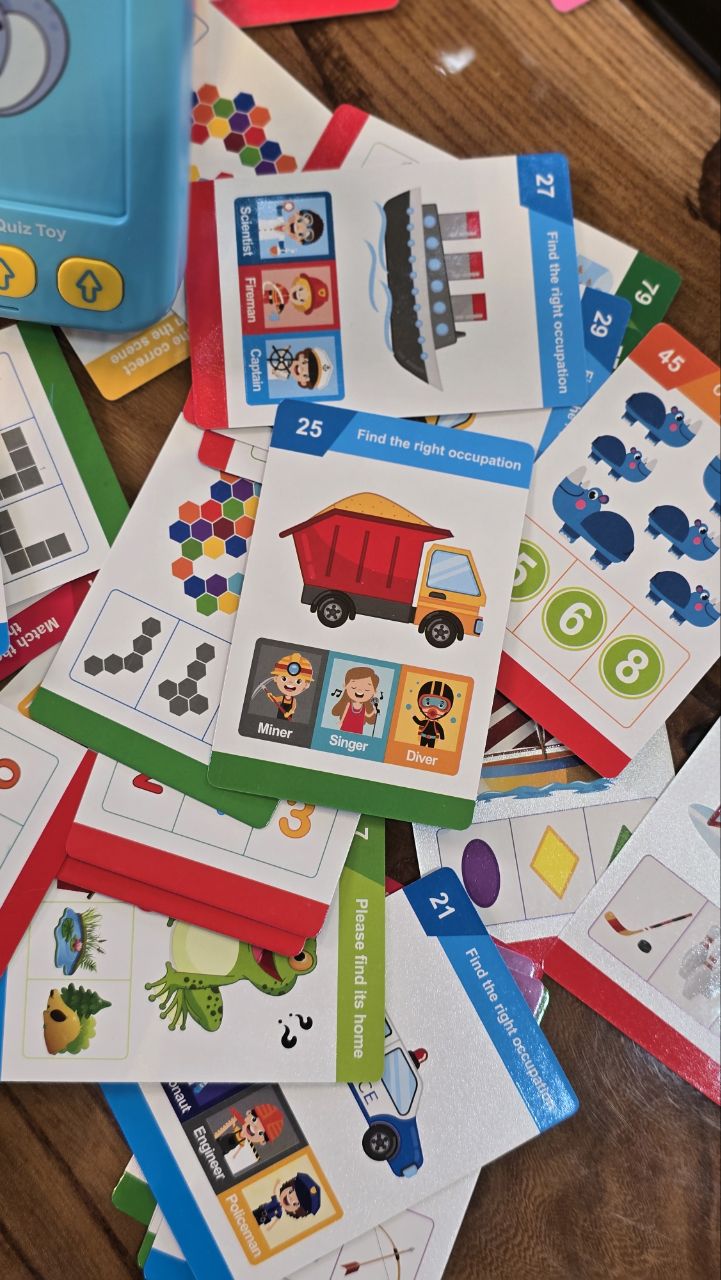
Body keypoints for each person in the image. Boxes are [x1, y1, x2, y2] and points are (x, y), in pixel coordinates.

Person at [252, 1172, 321, 1229]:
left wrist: (270, 1226)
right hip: (260, 1210)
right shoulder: (275, 1201)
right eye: (290, 1191)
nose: (290, 1198)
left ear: (296, 1211)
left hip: (265, 1219)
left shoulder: (279, 1211)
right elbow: (273, 1194)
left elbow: (277, 1218)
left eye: (295, 1203)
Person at [258, 200, 325, 258]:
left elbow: (281, 248)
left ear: (299, 241)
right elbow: (278, 209)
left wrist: (279, 251)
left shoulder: (281, 236)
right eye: (299, 220)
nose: (298, 228)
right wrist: (283, 206)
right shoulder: (280, 220)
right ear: (296, 213)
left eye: (301, 234)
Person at [263, 652, 314, 721]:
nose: (290, 683)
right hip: (279, 715)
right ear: (276, 678)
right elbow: (275, 700)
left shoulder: (293, 700)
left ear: (306, 685)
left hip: (288, 717)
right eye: (284, 678)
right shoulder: (282, 698)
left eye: (298, 681)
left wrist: (289, 713)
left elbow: (293, 709)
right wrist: (270, 695)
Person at [331, 667, 380, 735]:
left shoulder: (364, 707)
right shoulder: (349, 704)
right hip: (346, 726)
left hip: (358, 728)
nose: (360, 690)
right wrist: (341, 722)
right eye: (354, 687)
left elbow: (367, 715)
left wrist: (374, 711)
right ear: (345, 686)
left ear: (374, 691)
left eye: (367, 689)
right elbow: (344, 713)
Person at [267, 345, 334, 392]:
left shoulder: (283, 377)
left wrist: (275, 372)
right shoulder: (283, 358)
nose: (302, 369)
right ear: (301, 355)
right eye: (304, 362)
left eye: (306, 375)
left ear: (303, 383)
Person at [412, 679, 454, 749]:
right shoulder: (425, 722)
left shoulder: (437, 724)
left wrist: (442, 738)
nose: (433, 709)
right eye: (427, 703)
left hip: (432, 739)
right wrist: (413, 715)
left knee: (430, 749)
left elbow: (441, 730)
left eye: (441, 705)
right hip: (423, 737)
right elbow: (418, 722)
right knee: (421, 748)